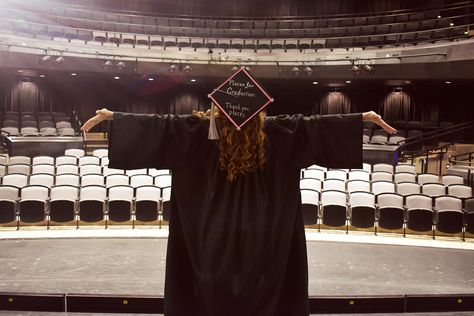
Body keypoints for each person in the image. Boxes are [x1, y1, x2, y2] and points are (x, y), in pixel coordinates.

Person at [81, 108, 396, 316]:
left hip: (209, 241)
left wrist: (115, 117)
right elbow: (314, 128)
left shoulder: (197, 136)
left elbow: (161, 127)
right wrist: (360, 118)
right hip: (266, 244)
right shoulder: (278, 136)